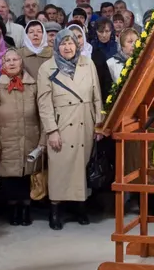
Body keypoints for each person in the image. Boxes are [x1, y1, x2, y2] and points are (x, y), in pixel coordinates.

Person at [36, 30, 105, 230]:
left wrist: (99, 123)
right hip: (62, 124)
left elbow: (96, 96)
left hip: (85, 121)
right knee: (60, 168)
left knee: (81, 168)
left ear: (77, 45)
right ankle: (55, 210)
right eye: (63, 44)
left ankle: (80, 207)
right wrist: (51, 130)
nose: (67, 48)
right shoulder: (46, 68)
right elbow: (44, 103)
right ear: (57, 46)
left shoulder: (87, 63)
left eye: (71, 43)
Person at [0, 48, 41, 226]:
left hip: (30, 139)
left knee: (26, 177)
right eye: (8, 60)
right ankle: (13, 210)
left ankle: (26, 209)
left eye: (15, 59)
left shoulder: (33, 85)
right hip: (5, 141)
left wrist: (42, 142)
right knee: (10, 178)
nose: (12, 63)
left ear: (21, 62)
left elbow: (43, 114)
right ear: (3, 64)